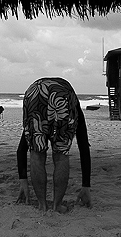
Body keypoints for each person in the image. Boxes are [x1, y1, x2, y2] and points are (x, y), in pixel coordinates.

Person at [16, 77, 91, 213]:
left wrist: (23, 181)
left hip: (34, 91)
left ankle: (42, 205)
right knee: (61, 154)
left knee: (36, 152)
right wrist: (86, 186)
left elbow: (22, 149)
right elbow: (83, 145)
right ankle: (57, 205)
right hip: (63, 94)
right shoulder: (76, 111)